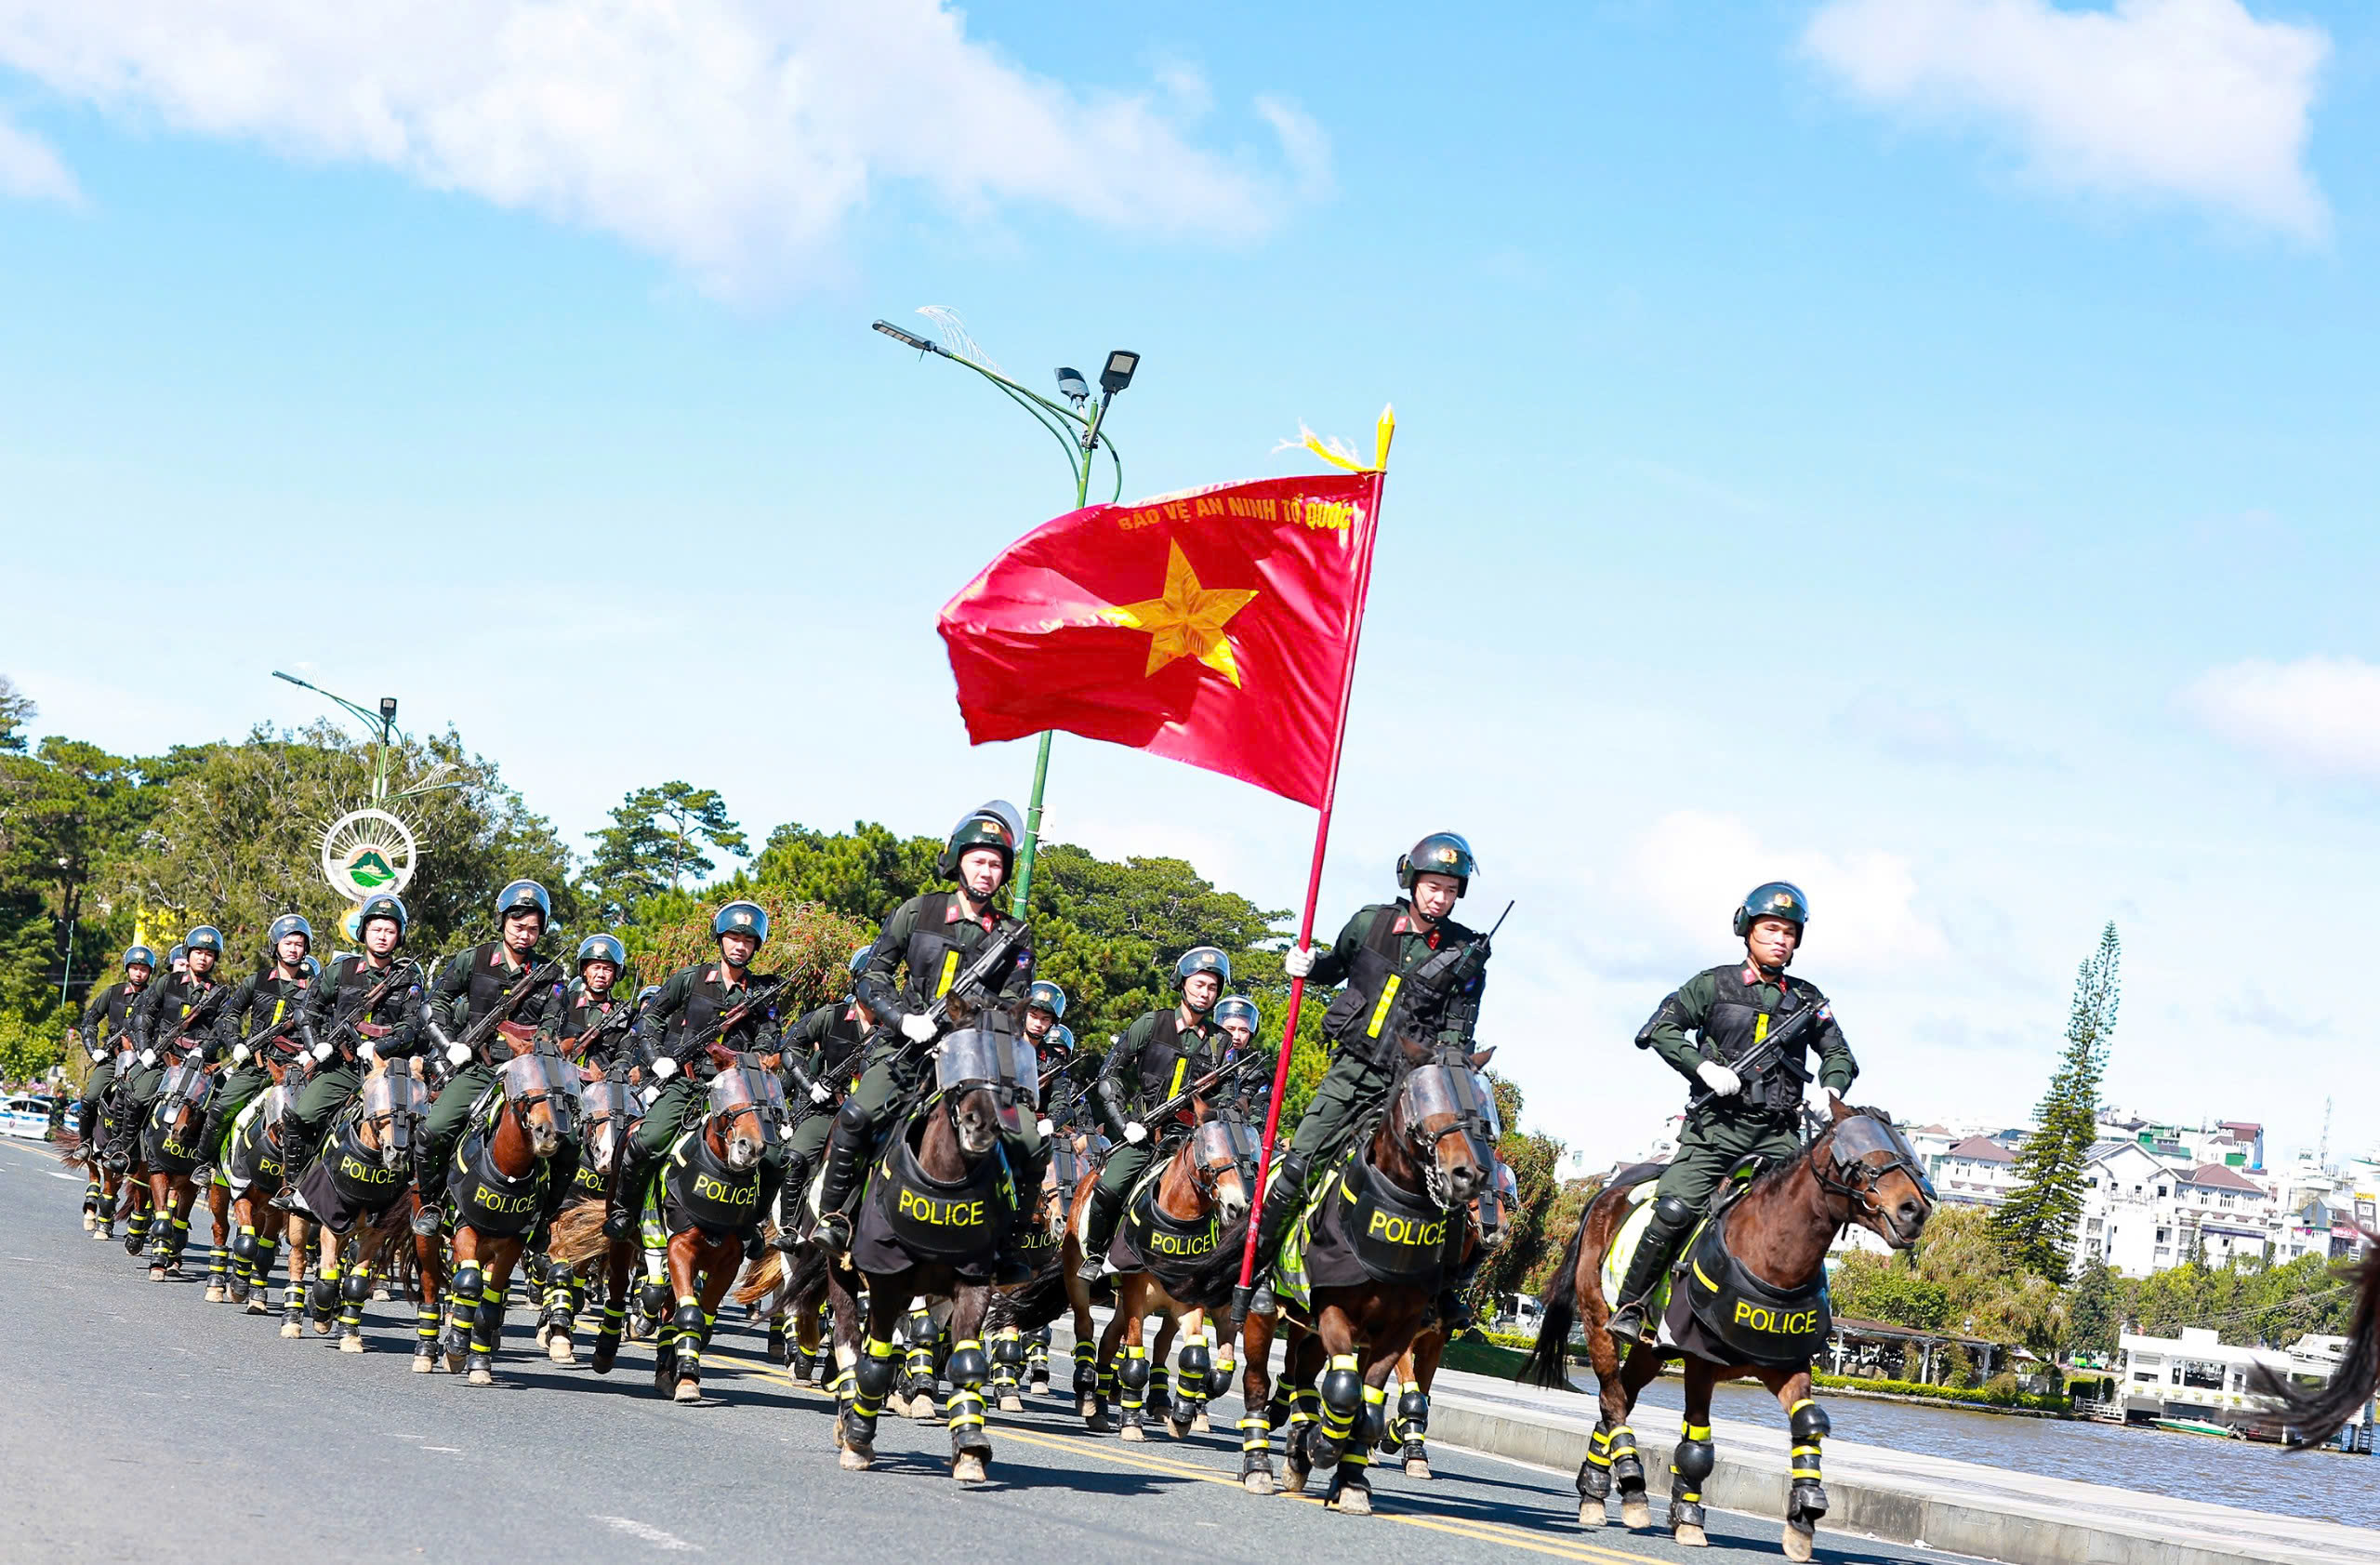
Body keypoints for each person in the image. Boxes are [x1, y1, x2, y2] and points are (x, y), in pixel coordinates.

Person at [1604, 882, 1859, 1345]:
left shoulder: (1808, 999)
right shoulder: (1712, 984)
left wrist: (1831, 1088)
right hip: (1715, 1130)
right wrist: (1701, 1066)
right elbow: (1660, 1030)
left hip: (1779, 1137)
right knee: (1675, 1208)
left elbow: (1839, 1054)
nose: (1780, 939)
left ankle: (1806, 1322)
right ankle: (1632, 1304)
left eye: (1788, 932)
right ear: (1747, 930)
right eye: (1770, 929)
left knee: (1810, 1214)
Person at [1249, 832, 1492, 1311]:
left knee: (1457, 1178)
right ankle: (1259, 1267)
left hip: (1413, 1091)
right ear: (1412, 880)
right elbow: (1333, 967)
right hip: (1351, 1073)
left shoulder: (1469, 952)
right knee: (1298, 1167)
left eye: (1449, 889)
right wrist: (1305, 964)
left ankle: (1443, 1292)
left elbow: (1458, 1033)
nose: (1439, 897)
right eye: (1432, 886)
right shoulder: (1370, 923)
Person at [815, 802, 1040, 1283]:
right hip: (907, 1050)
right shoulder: (917, 911)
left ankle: (1007, 1244)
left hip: (975, 1061)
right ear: (958, 860)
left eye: (997, 863)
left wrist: (971, 1029)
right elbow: (871, 975)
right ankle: (834, 1218)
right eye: (979, 860)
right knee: (857, 1117)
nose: (987, 871)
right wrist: (903, 1018)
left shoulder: (1014, 937)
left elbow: (1015, 1005)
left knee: (1027, 1142)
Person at [604, 901, 786, 1257]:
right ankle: (624, 1211)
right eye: (733, 937)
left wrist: (756, 1057)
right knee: (648, 1139)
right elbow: (650, 1019)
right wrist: (658, 1059)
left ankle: (751, 1223)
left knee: (776, 1158)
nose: (740, 946)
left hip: (737, 1090)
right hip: (687, 1080)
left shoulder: (763, 991)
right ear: (720, 939)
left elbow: (770, 1032)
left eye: (748, 941)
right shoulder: (689, 979)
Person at [417, 880, 566, 1232]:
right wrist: (449, 1043)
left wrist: (533, 1050)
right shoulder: (474, 959)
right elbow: (433, 1004)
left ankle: (546, 1218)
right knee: (432, 1131)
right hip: (479, 1069)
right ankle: (431, 1204)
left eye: (533, 929)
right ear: (502, 922)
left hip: (529, 1076)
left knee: (567, 1142)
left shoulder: (551, 975)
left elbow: (551, 1024)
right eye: (517, 927)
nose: (524, 935)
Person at [1078, 946, 1232, 1282]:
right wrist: (1125, 1124)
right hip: (1143, 1134)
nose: (1205, 994)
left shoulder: (1221, 1042)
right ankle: (1095, 1254)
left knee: (1233, 1195)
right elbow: (1108, 1075)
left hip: (1191, 1142)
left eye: (1212, 988)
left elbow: (1226, 1097)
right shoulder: (1151, 1023)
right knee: (1109, 1189)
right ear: (1182, 983)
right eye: (1199, 984)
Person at [274, 895, 426, 1211]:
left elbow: (411, 1026)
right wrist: (316, 1043)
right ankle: (295, 1185)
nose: (382, 935)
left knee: (416, 1126)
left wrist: (380, 1048)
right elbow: (307, 1009)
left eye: (390, 930)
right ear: (364, 933)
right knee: (301, 1116)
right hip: (342, 1065)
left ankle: (414, 1198)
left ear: (399, 936)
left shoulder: (410, 977)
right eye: (376, 929)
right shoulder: (340, 970)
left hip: (387, 1072)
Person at [775, 947, 882, 1244]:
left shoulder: (893, 1028)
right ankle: (789, 1230)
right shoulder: (830, 1016)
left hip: (874, 1118)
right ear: (856, 981)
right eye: (869, 979)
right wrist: (811, 1086)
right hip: (827, 1113)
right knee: (796, 1158)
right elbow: (791, 1048)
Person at [112, 926, 230, 1168]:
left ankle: (208, 1165)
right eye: (198, 952)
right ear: (188, 954)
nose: (203, 958)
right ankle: (127, 1151)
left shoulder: (220, 993)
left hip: (200, 1063)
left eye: (209, 954)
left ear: (214, 959)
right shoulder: (167, 982)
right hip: (165, 1056)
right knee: (135, 1093)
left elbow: (223, 1029)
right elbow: (144, 1016)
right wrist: (145, 1048)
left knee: (222, 1109)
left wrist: (203, 1050)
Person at [199, 915, 313, 1160]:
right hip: (256, 1064)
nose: (293, 949)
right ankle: (204, 1165)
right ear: (276, 945)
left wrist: (310, 1050)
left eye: (299, 944)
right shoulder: (257, 980)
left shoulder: (313, 986)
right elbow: (229, 1015)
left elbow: (322, 1023)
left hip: (292, 1069)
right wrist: (236, 1043)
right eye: (288, 943)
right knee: (220, 1109)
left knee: (307, 1122)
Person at [70, 945, 153, 1152]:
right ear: (127, 969)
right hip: (112, 1058)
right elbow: (89, 1021)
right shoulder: (113, 992)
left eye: (143, 969)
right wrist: (93, 1049)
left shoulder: (154, 996)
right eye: (134, 967)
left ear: (150, 972)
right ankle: (85, 1143)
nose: (138, 972)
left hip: (141, 1061)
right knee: (90, 1098)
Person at [540, 934, 635, 1073]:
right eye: (595, 967)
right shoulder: (564, 1001)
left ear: (616, 973)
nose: (601, 974)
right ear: (584, 970)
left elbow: (626, 1053)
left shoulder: (623, 1015)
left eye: (607, 969)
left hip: (598, 1085)